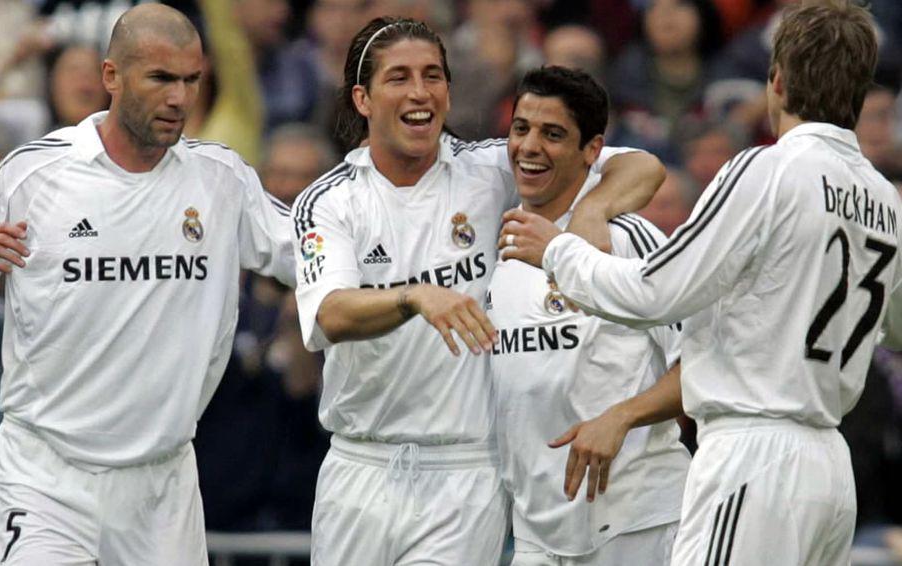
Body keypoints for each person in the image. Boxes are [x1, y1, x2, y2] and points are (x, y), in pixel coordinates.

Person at [499, 1, 902, 564]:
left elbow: (656, 293)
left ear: (776, 80)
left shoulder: (765, 168)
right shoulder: (885, 198)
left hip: (753, 453)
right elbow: (892, 331)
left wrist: (559, 251)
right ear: (860, 92)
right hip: (830, 469)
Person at [292, 16, 664, 566]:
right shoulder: (330, 200)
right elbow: (330, 315)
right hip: (359, 464)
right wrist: (415, 296)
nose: (420, 92)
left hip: (465, 471)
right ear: (362, 99)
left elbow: (641, 165)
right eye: (399, 77)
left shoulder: (490, 168)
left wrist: (593, 210)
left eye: (433, 75)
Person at [0, 4, 295, 564]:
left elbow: (316, 259)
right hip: (46, 476)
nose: (179, 98)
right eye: (161, 78)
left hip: (161, 485)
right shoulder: (33, 175)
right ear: (111, 76)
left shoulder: (221, 181)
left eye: (191, 80)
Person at [488, 65, 691, 565]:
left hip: (637, 521)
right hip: (536, 528)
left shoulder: (626, 238)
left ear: (593, 150)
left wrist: (622, 417)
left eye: (553, 134)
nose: (529, 147)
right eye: (521, 129)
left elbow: (706, 363)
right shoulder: (498, 235)